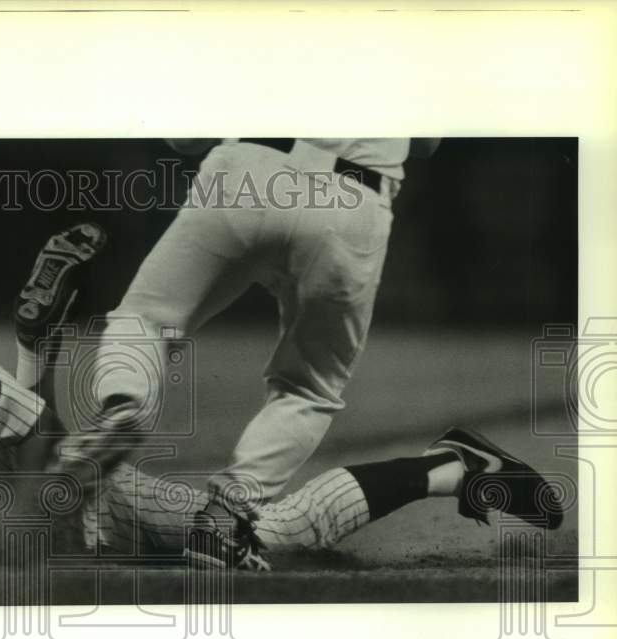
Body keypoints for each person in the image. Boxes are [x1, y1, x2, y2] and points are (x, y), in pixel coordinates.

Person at [0, 229, 561, 576]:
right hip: (10, 535)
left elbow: (38, 441)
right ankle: (37, 342)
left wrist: (5, 523)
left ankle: (452, 467)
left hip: (86, 503)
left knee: (279, 536)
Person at [57, 138, 444, 529]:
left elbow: (185, 140)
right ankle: (228, 513)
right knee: (309, 387)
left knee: (147, 320)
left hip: (250, 169)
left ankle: (126, 401)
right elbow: (428, 144)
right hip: (355, 197)